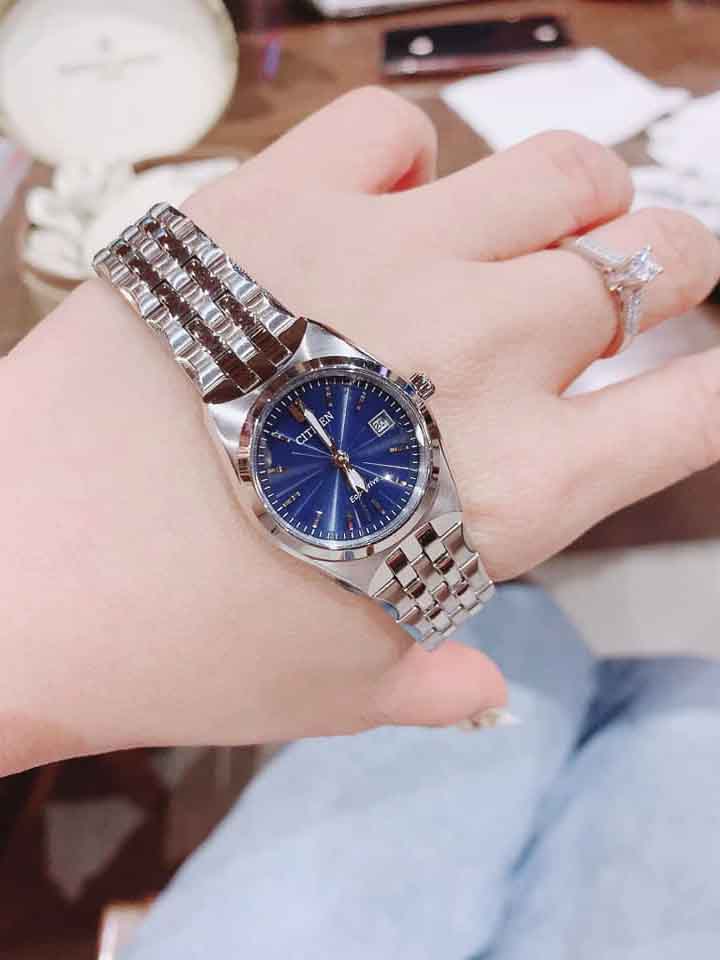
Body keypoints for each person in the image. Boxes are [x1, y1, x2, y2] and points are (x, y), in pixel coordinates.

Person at [2, 88, 720, 956]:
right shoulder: (255, 465)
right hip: (365, 537)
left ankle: (537, 631)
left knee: (565, 669)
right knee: (680, 720)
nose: (339, 460)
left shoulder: (348, 420)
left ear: (402, 397)